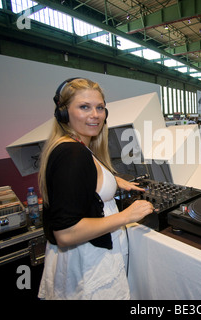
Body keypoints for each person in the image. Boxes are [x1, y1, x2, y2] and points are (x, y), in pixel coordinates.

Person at [37, 78, 154, 300]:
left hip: (84, 264)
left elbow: (81, 181)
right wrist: (127, 215)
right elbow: (65, 233)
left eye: (100, 107)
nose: (96, 115)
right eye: (84, 107)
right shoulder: (73, 155)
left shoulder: (74, 147)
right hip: (87, 271)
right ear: (64, 113)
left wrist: (112, 180)